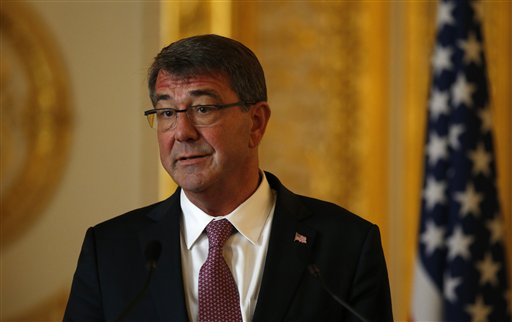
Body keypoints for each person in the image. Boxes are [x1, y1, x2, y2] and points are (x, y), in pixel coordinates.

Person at [64, 34, 393, 322]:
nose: (182, 132)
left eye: (203, 109)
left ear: (256, 123)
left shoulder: (347, 245)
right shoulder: (110, 250)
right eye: (166, 112)